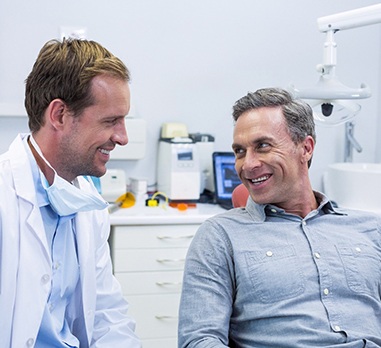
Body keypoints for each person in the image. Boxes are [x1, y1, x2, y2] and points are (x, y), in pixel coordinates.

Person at [178, 87, 381, 347]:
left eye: (262, 146)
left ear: (305, 148)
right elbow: (198, 340)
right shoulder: (220, 236)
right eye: (240, 151)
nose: (247, 164)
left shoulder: (369, 229)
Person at [0, 38, 141, 347]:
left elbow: (107, 314)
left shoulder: (88, 204)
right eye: (110, 121)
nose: (123, 137)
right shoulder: (4, 197)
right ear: (60, 115)